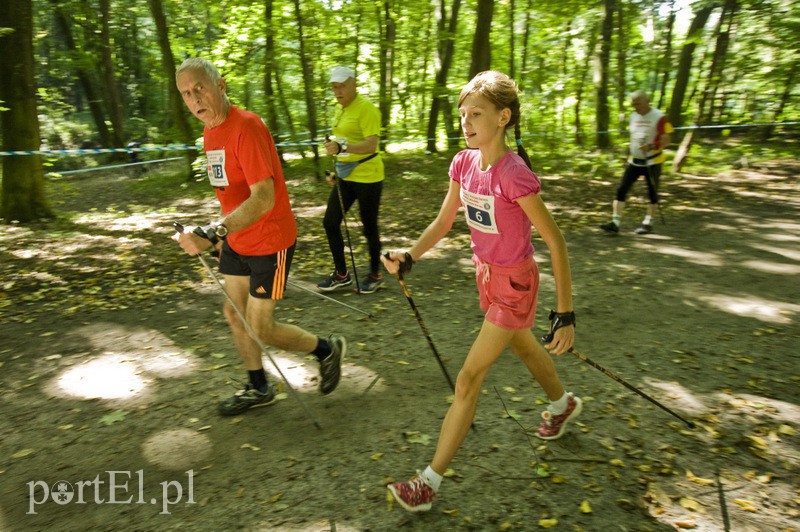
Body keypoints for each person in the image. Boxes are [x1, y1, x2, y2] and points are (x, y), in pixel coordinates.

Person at [383, 71, 581, 513]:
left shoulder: (514, 175)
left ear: (503, 117)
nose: (466, 123)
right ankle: (563, 404)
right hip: (486, 276)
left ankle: (428, 483)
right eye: (462, 115)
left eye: (477, 114)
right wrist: (410, 256)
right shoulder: (463, 163)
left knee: (469, 377)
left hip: (514, 284)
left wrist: (565, 312)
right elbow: (443, 221)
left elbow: (556, 241)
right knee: (525, 346)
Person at [172, 58, 346, 416]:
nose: (194, 99)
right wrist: (221, 237)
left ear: (220, 85)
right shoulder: (209, 132)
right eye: (186, 94)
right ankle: (258, 386)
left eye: (199, 88)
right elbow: (229, 193)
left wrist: (213, 232)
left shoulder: (247, 127)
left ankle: (326, 350)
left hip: (270, 239)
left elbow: (263, 197)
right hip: (237, 238)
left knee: (261, 327)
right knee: (235, 313)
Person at [317, 66, 385, 294]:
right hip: (347, 176)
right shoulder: (340, 110)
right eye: (334, 87)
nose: (338, 91)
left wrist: (341, 147)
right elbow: (342, 144)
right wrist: (338, 169)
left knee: (369, 227)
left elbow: (371, 144)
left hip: (369, 177)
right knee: (330, 222)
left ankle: (375, 274)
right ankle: (342, 274)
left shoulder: (366, 109)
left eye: (342, 86)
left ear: (353, 84)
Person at [600, 90, 673, 235]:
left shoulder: (659, 117)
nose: (635, 107)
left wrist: (652, 146)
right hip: (634, 161)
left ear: (647, 102)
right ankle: (615, 223)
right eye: (633, 104)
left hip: (652, 161)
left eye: (638, 103)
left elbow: (667, 140)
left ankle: (647, 223)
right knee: (621, 189)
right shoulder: (633, 116)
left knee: (652, 192)